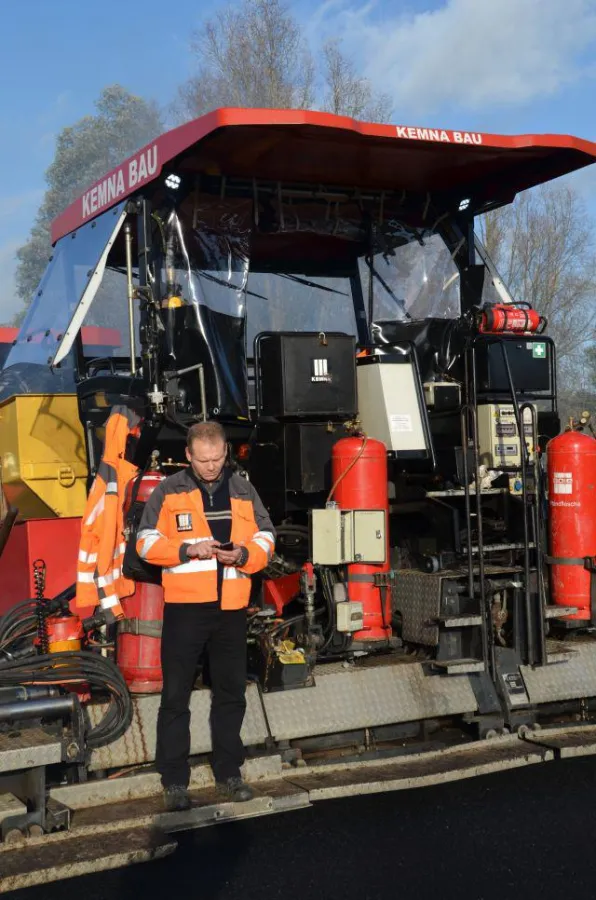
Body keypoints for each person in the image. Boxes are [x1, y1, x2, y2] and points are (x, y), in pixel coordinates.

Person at [136, 421, 275, 811]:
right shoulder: (168, 491)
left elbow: (267, 535)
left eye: (217, 459)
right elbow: (145, 541)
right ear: (188, 456)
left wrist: (245, 555)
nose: (212, 466)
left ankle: (229, 774)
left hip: (231, 609)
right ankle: (175, 782)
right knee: (176, 695)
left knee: (231, 694)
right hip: (185, 610)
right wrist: (187, 550)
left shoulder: (243, 489)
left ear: (225, 453)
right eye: (203, 460)